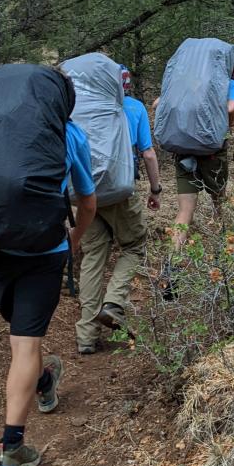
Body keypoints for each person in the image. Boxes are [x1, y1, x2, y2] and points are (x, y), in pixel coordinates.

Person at [0, 74, 97, 466]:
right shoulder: (69, 135)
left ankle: (44, 378)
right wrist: (74, 239)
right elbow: (87, 200)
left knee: (21, 337)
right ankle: (12, 450)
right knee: (24, 344)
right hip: (45, 250)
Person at [73, 66, 162, 354]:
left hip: (84, 193)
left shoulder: (77, 109)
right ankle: (113, 304)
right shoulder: (133, 107)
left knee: (93, 256)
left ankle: (86, 336)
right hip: (119, 191)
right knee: (135, 245)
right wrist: (155, 189)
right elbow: (147, 153)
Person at [154, 51, 234, 248]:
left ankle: (172, 261)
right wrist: (225, 127)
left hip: (183, 150)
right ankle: (224, 251)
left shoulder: (190, 82)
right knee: (219, 202)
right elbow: (231, 108)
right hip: (212, 151)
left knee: (184, 212)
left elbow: (157, 104)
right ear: (231, 67)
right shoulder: (231, 85)